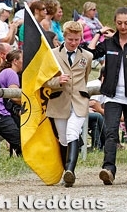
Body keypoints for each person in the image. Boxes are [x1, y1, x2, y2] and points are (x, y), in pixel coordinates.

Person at [84, 7, 127, 185]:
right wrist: (98, 33)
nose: (123, 26)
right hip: (112, 95)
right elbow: (89, 53)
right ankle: (108, 169)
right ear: (115, 22)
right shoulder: (109, 43)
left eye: (126, 23)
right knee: (111, 131)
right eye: (119, 23)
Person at [45, 21, 93, 187]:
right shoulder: (52, 54)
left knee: (73, 132)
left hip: (79, 101)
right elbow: (44, 80)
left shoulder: (87, 57)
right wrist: (57, 81)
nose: (73, 43)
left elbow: (85, 78)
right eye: (70, 39)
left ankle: (70, 171)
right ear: (63, 37)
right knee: (63, 138)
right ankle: (66, 169)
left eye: (77, 39)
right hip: (59, 101)